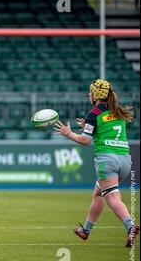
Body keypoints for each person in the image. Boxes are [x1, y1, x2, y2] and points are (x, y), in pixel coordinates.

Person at [54, 79, 139, 247]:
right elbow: (106, 129)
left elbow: (85, 141)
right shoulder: (117, 110)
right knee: (98, 193)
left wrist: (68, 133)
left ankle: (130, 226)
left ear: (96, 94)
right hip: (124, 160)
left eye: (90, 91)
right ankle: (86, 230)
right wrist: (87, 125)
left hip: (106, 160)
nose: (88, 94)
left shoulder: (94, 113)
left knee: (113, 198)